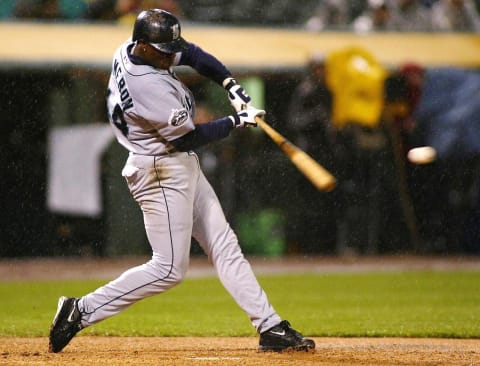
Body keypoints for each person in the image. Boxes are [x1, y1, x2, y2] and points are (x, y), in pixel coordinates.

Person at [48, 8, 315, 354]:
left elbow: (190, 53)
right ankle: (79, 310)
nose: (168, 56)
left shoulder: (132, 48)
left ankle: (271, 327)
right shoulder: (146, 85)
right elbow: (186, 139)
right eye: (161, 50)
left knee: (224, 245)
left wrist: (229, 83)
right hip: (159, 170)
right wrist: (236, 121)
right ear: (142, 45)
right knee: (169, 269)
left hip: (175, 164)